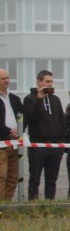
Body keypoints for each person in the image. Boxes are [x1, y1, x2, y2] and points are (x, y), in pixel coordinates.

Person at [23, 70, 66, 200]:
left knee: (51, 180)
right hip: (38, 145)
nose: (50, 84)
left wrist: (61, 143)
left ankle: (50, 204)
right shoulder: (29, 99)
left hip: (55, 145)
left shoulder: (55, 99)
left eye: (51, 82)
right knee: (35, 179)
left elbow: (62, 121)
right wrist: (39, 100)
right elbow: (30, 118)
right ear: (39, 82)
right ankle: (33, 205)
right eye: (47, 81)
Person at [0, 68, 23, 201]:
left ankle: (7, 205)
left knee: (13, 177)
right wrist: (11, 132)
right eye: (3, 78)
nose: (7, 81)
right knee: (1, 176)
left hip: (15, 145)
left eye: (8, 78)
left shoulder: (14, 98)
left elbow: (24, 116)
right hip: (1, 144)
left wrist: (19, 129)